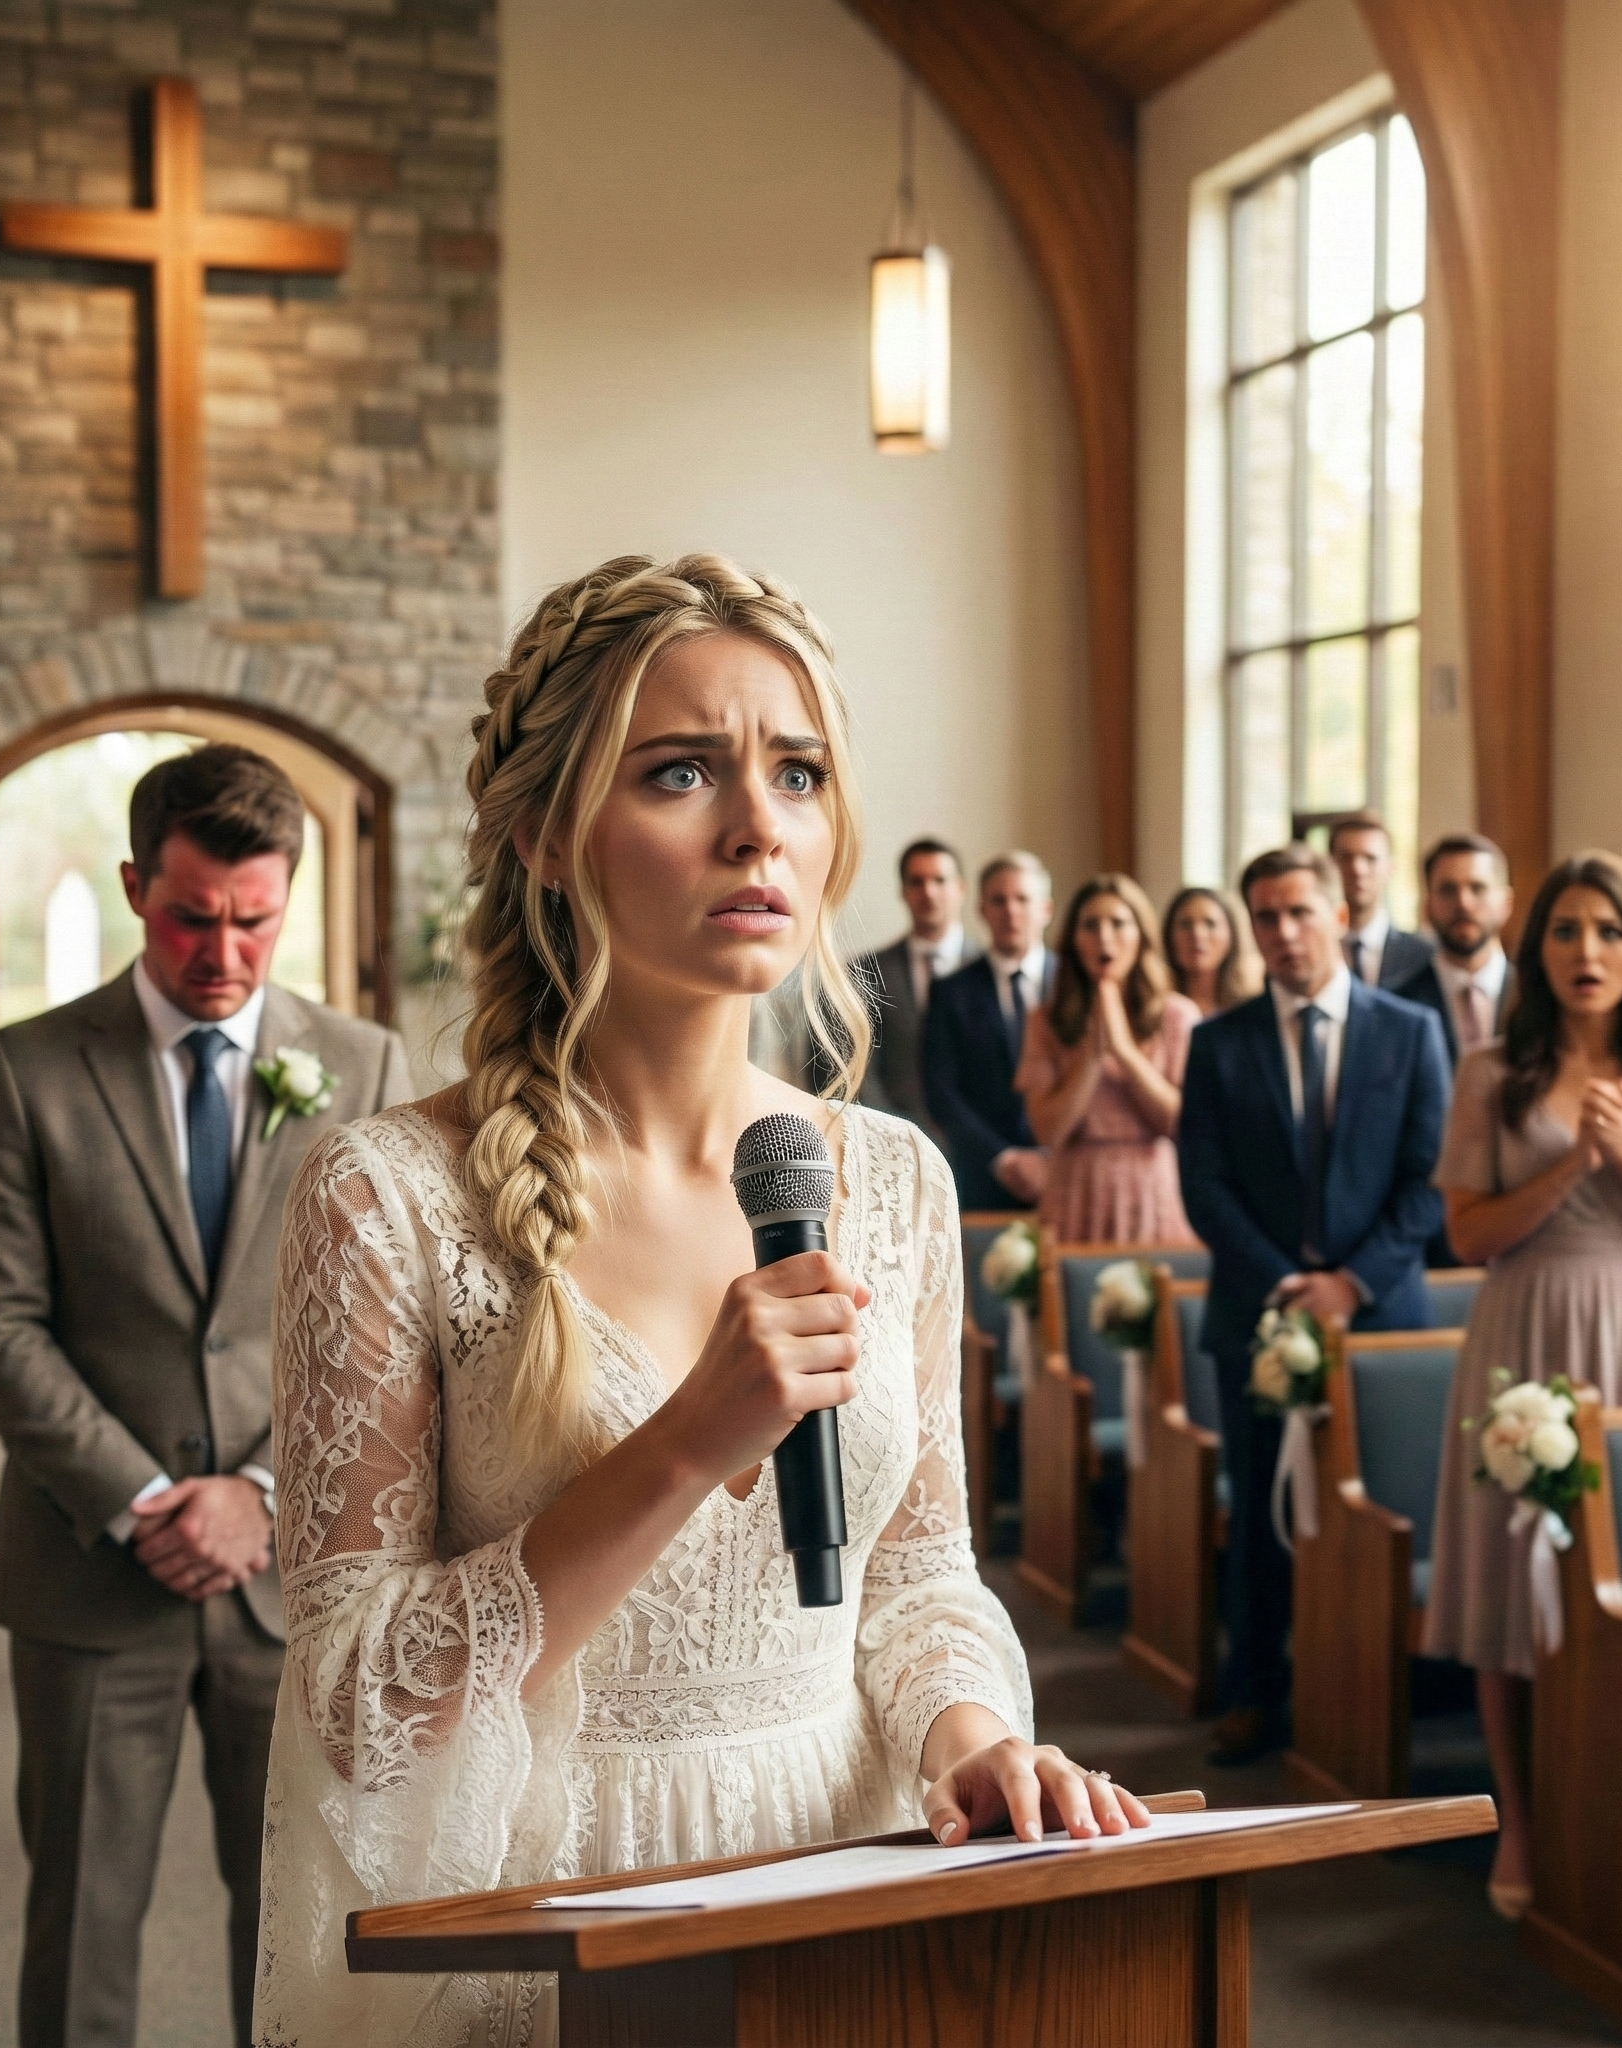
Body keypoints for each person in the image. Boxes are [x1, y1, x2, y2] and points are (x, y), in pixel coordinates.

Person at [252, 556, 1147, 2046]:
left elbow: (920, 1580)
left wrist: (973, 1732)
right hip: (559, 1916)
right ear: (543, 832)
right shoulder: (385, 1195)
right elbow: (352, 1697)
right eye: (680, 772)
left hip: (849, 1892)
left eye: (796, 773)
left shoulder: (896, 1183)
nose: (758, 828)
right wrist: (681, 1447)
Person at [0, 745, 413, 2048]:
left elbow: (390, 1327)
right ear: (138, 885)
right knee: (83, 1927)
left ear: (289, 899)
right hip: (91, 1575)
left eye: (255, 922)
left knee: (298, 1932)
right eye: (191, 917)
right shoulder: (29, 1069)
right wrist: (150, 1498)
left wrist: (262, 1493)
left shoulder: (364, 1067)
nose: (223, 955)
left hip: (300, 1572)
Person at [1420, 851, 1622, 1919]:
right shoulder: (1488, 1068)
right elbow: (1466, 1234)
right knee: (1511, 1577)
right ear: (1536, 946)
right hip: (1522, 1328)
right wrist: (1569, 1165)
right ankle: (1518, 1820)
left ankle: (1618, 1813)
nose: (1584, 951)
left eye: (1605, 931)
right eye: (1563, 930)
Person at [1177, 843, 1450, 1762]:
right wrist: (1286, 1283)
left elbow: (1428, 1182)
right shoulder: (1220, 1041)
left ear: (1339, 914)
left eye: (1300, 912)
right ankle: (1256, 1692)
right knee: (1258, 1512)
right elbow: (1203, 1185)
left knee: (1373, 1511)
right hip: (1256, 1311)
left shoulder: (1409, 1032)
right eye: (1266, 917)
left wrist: (1351, 1281)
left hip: (1380, 1316)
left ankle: (1377, 1692)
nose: (1284, 933)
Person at [1018, 873, 1200, 1245]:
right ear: (1073, 941)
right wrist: (1092, 1055)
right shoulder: (1045, 1022)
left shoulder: (1178, 1017)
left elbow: (1181, 1123)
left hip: (1153, 1192)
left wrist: (1125, 1051)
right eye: (1090, 925)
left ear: (1141, 936)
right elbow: (1047, 1132)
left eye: (1118, 923)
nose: (1104, 937)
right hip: (1075, 1192)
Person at [923, 851, 1056, 1213]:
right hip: (984, 1179)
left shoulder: (1074, 987)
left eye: (1023, 900)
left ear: (1045, 909)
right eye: (999, 901)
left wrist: (1050, 1157)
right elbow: (941, 1091)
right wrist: (1004, 1158)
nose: (1011, 912)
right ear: (982, 910)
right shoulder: (951, 991)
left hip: (1067, 1176)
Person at [836, 836, 969, 1136]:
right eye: (917, 882)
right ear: (904, 892)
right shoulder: (865, 971)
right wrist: (896, 1130)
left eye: (939, 880)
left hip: (982, 1155)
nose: (929, 892)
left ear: (960, 888)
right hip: (893, 1136)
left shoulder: (988, 972)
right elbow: (853, 1068)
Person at [1390, 832, 1517, 1067]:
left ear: (1506, 903)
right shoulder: (1397, 1005)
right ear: (1427, 907)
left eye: (1477, 888)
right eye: (1448, 890)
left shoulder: (1537, 996)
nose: (1463, 903)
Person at [1329, 811, 1434, 990]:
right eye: (1346, 858)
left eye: (1370, 858)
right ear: (1329, 866)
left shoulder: (1424, 955)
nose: (1357, 869)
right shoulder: (1310, 950)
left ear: (1390, 868)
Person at [1163, 884, 1251, 1018]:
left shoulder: (1249, 1008)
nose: (1197, 934)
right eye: (1186, 924)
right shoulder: (1153, 1008)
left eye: (1210, 924)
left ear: (1232, 935)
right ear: (1169, 935)